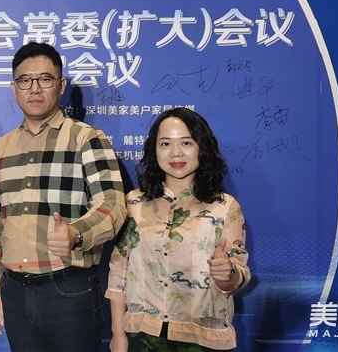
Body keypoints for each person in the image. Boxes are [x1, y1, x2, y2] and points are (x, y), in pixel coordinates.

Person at [0, 42, 127, 352]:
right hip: (14, 291)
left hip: (68, 287)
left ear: (61, 86)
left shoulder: (86, 138)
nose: (34, 88)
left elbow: (113, 205)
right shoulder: (2, 147)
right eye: (25, 80)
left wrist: (77, 233)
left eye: (45, 79)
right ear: (14, 88)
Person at [106, 107, 251, 352]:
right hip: (143, 336)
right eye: (165, 144)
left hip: (204, 340)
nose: (176, 153)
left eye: (186, 142)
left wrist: (227, 275)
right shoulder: (134, 203)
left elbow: (239, 275)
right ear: (154, 150)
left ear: (201, 147)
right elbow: (118, 274)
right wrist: (118, 334)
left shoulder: (225, 207)